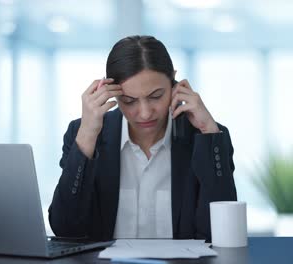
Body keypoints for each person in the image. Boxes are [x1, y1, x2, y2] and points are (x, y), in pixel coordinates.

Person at [48, 35, 237, 242]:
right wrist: (87, 135)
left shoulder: (207, 137)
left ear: (174, 82)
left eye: (156, 96)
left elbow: (222, 233)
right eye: (129, 101)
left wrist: (208, 132)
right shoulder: (84, 133)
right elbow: (64, 228)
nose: (145, 113)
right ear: (110, 92)